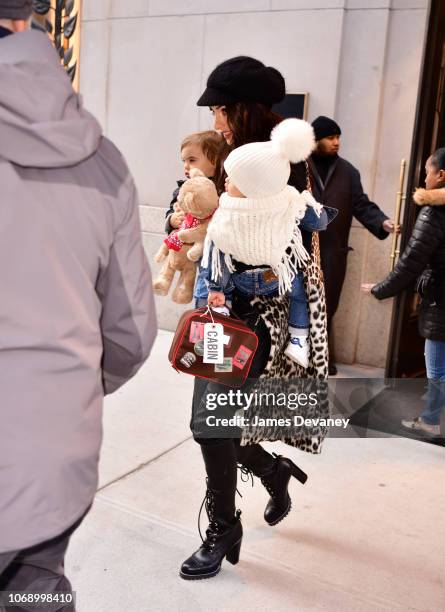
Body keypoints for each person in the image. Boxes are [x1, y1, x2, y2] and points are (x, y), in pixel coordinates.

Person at [0, 6, 157, 608]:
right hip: (51, 458)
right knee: (35, 592)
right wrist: (63, 388)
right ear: (26, 22)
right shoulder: (103, 159)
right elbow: (131, 334)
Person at [179, 56, 330, 581]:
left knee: (211, 423)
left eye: (220, 109)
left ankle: (223, 528)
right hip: (223, 308)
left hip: (254, 313)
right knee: (221, 425)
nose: (216, 119)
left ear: (241, 109)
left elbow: (290, 236)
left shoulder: (276, 164)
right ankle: (273, 471)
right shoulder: (236, 156)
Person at [203, 118, 333, 368]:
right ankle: (298, 340)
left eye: (232, 178)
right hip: (277, 280)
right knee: (299, 297)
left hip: (239, 282)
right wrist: (306, 200)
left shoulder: (227, 208)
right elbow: (320, 223)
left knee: (218, 248)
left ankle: (221, 307)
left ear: (250, 184)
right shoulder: (286, 201)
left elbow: (215, 250)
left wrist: (215, 287)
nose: (226, 182)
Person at [363, 148, 445, 437]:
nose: (425, 177)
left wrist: (380, 289)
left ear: (441, 175)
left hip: (440, 303)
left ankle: (430, 421)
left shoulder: (434, 213)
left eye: (427, 172)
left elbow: (411, 261)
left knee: (436, 368)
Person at [307, 115, 397, 375]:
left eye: (338, 138)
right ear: (315, 140)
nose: (336, 143)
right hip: (299, 252)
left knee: (326, 306)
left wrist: (382, 222)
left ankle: (322, 360)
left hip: (333, 252)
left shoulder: (348, 172)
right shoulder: (297, 166)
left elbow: (361, 204)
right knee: (297, 305)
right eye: (330, 138)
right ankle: (297, 360)